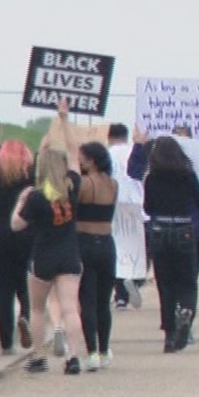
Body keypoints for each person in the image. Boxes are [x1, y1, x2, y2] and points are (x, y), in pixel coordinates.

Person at [10, 101, 86, 374]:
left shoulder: (36, 196)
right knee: (70, 308)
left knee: (38, 309)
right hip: (69, 253)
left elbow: (16, 225)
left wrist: (20, 202)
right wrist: (64, 120)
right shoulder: (72, 187)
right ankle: (74, 357)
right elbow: (76, 154)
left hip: (43, 255)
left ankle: (38, 356)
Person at [143, 136, 199, 353]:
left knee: (165, 284)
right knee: (187, 281)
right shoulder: (188, 176)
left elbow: (148, 208)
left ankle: (169, 335)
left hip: (160, 229)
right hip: (184, 230)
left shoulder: (152, 178)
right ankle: (186, 311)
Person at [0, 140, 34, 354]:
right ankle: (25, 317)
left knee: (2, 292)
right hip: (23, 232)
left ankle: (6, 343)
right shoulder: (30, 174)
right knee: (24, 283)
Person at [76, 141, 119, 370]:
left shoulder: (84, 185)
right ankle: (104, 349)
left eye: (81, 158)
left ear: (90, 160)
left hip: (84, 242)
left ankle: (91, 350)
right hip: (107, 243)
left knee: (87, 301)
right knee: (104, 301)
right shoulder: (113, 184)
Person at [107, 124, 146, 309]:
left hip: (115, 204)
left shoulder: (106, 154)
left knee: (118, 251)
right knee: (139, 249)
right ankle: (136, 280)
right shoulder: (134, 150)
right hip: (137, 204)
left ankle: (120, 296)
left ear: (109, 137)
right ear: (126, 136)